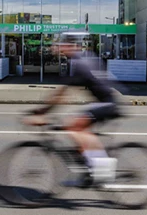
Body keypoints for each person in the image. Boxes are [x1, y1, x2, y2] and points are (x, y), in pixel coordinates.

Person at [23, 32, 120, 184]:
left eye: (63, 45)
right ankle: (88, 171)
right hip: (104, 101)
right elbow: (61, 94)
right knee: (79, 129)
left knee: (74, 127)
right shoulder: (80, 59)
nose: (59, 48)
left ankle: (102, 171)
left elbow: (61, 95)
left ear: (72, 47)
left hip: (108, 103)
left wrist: (42, 112)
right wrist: (43, 110)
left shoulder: (79, 64)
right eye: (59, 45)